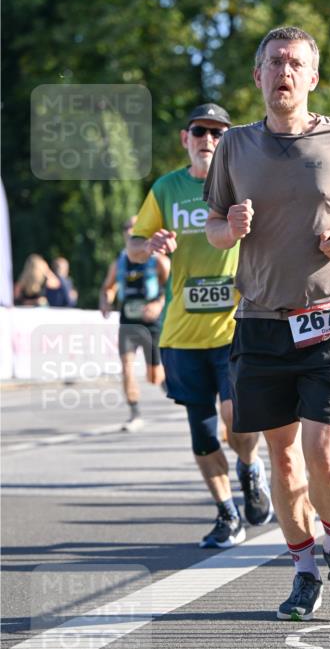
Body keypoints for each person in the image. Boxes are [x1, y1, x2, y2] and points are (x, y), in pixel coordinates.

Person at [204, 25, 330, 621]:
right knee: (283, 460)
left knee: (323, 451)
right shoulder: (234, 147)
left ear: (312, 78)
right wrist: (229, 230)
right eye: (273, 62)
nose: (284, 73)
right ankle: (304, 569)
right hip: (261, 323)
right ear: (257, 75)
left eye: (295, 64)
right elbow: (212, 227)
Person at [127, 103, 272, 546]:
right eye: (200, 131)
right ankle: (226, 513)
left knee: (237, 422)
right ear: (185, 139)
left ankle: (250, 467)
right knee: (203, 431)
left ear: (227, 140)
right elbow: (133, 247)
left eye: (217, 133)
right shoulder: (167, 188)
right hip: (182, 334)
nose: (208, 140)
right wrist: (148, 243)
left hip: (234, 328)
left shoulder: (245, 185)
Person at [99, 217, 170, 430]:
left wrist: (158, 304)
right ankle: (134, 413)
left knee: (154, 376)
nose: (130, 231)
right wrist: (106, 300)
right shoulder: (119, 262)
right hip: (128, 322)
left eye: (134, 227)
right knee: (126, 368)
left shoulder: (159, 260)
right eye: (126, 228)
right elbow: (107, 287)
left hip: (151, 323)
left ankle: (168, 385)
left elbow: (172, 288)